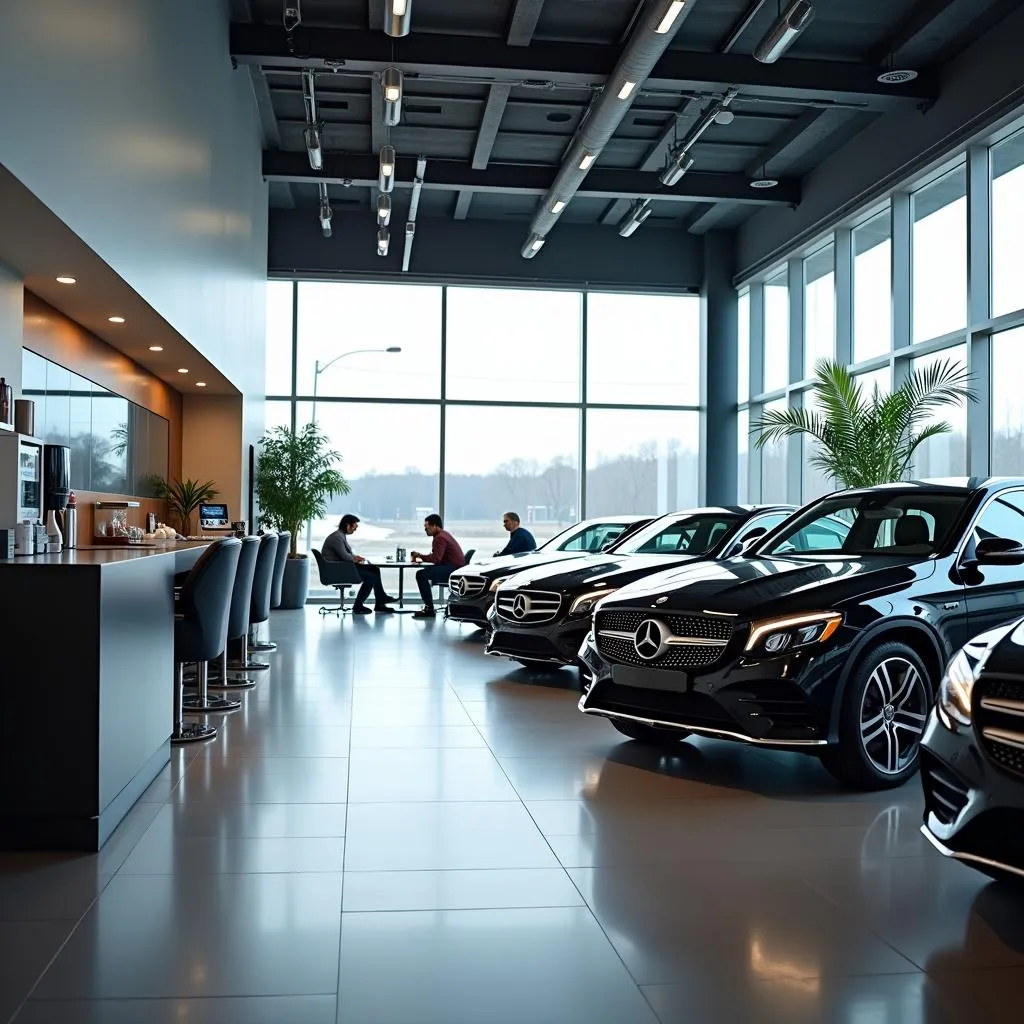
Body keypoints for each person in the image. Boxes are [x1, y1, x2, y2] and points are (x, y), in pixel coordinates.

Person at [322, 514, 397, 615]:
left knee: (374, 569)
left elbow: (345, 555)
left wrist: (355, 557)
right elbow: (345, 556)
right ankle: (358, 605)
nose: (355, 529)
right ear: (348, 525)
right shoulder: (337, 537)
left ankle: (380, 601)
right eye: (354, 527)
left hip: (342, 567)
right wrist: (355, 559)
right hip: (338, 571)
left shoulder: (340, 535)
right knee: (370, 577)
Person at [410, 513, 465, 619]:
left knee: (421, 575)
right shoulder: (444, 534)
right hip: (455, 568)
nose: (426, 530)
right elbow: (438, 557)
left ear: (435, 526)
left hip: (453, 570)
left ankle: (429, 609)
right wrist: (423, 557)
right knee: (425, 572)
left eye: (427, 528)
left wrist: (420, 556)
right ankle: (428, 601)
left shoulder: (439, 538)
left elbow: (436, 559)